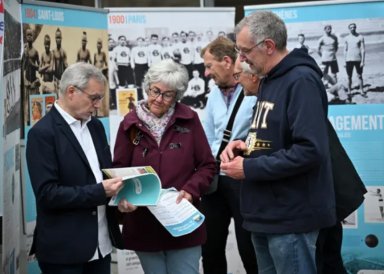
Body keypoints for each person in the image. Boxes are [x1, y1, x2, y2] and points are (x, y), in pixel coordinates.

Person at [220, 11, 336, 274]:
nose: (241, 59)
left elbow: (310, 150)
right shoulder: (270, 81)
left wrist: (249, 169)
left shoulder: (300, 81)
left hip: (291, 217)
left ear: (269, 46)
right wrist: (241, 144)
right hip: (265, 214)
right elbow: (269, 138)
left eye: (244, 51)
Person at [113, 59, 216, 274]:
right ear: (147, 86)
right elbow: (119, 170)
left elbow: (207, 165)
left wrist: (191, 190)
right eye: (155, 91)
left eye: (167, 95)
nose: (158, 99)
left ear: (176, 96)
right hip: (144, 224)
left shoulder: (189, 119)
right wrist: (125, 199)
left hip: (182, 222)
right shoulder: (129, 124)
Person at [26, 62, 124, 274]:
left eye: (100, 98)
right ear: (71, 91)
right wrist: (100, 191)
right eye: (94, 98)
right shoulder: (42, 134)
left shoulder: (96, 127)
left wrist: (120, 197)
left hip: (102, 245)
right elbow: (47, 194)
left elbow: (104, 173)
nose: (98, 105)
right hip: (64, 251)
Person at [200, 36, 258, 274]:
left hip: (243, 177)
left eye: (208, 65)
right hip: (215, 179)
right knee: (210, 247)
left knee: (249, 246)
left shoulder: (253, 88)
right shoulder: (213, 94)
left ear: (226, 61)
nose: (205, 73)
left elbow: (263, 133)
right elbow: (208, 136)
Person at [344, 23, 366, 98]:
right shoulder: (346, 38)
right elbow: (345, 50)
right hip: (349, 60)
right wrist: (344, 61)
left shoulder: (360, 37)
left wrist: (363, 61)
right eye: (351, 27)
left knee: (359, 76)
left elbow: (363, 49)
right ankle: (349, 91)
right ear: (349, 28)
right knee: (349, 76)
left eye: (354, 27)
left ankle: (361, 90)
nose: (352, 28)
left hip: (358, 59)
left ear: (356, 28)